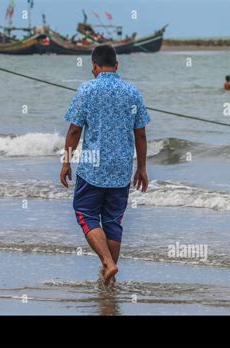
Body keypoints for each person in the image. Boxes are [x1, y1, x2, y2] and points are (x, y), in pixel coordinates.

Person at [60, 45, 150, 285]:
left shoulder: (86, 90)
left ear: (94, 67)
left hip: (93, 169)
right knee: (112, 221)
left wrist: (66, 162)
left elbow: (74, 129)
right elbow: (140, 135)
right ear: (117, 66)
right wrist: (141, 168)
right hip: (121, 170)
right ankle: (109, 280)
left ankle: (108, 264)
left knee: (86, 213)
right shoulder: (133, 93)